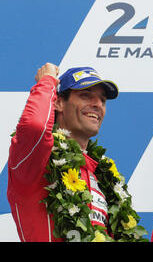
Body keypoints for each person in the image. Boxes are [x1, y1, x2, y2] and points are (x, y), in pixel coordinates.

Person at [7, 63, 143, 242]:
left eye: (102, 100)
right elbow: (35, 126)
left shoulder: (103, 174)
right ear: (58, 103)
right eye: (85, 95)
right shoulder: (37, 160)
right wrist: (47, 82)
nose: (97, 104)